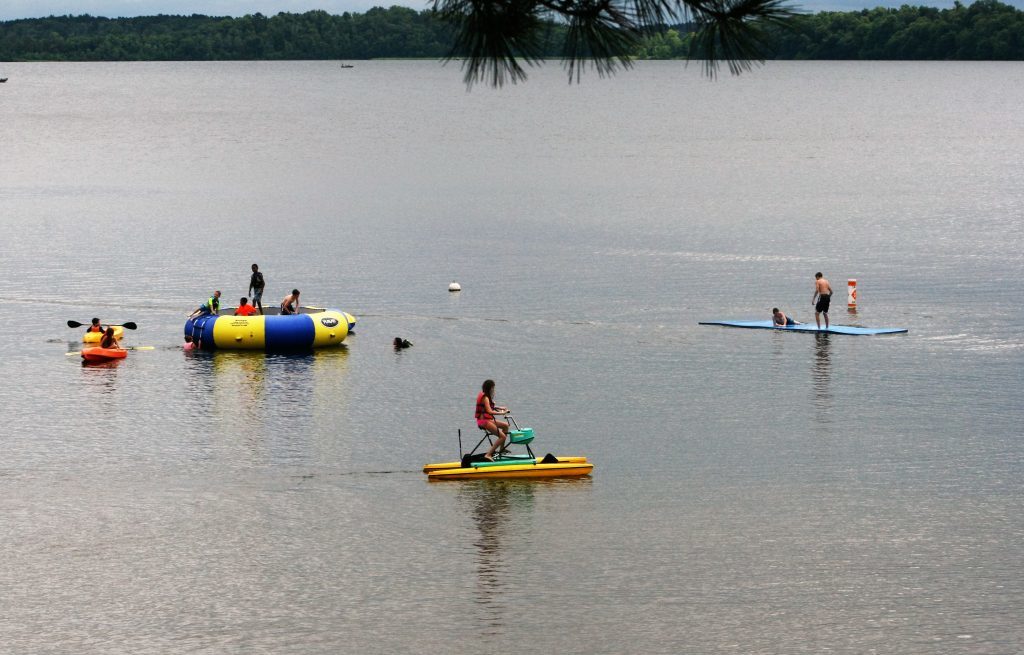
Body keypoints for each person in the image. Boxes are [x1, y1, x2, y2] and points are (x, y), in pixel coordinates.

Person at [475, 379, 510, 461]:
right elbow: (489, 411)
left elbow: (488, 407)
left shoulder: (485, 396)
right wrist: (502, 413)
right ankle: (488, 455)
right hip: (483, 421)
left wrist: (500, 408)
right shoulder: (485, 398)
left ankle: (501, 449)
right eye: (493, 388)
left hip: (486, 420)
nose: (493, 390)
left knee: (505, 426)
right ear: (489, 388)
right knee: (502, 437)